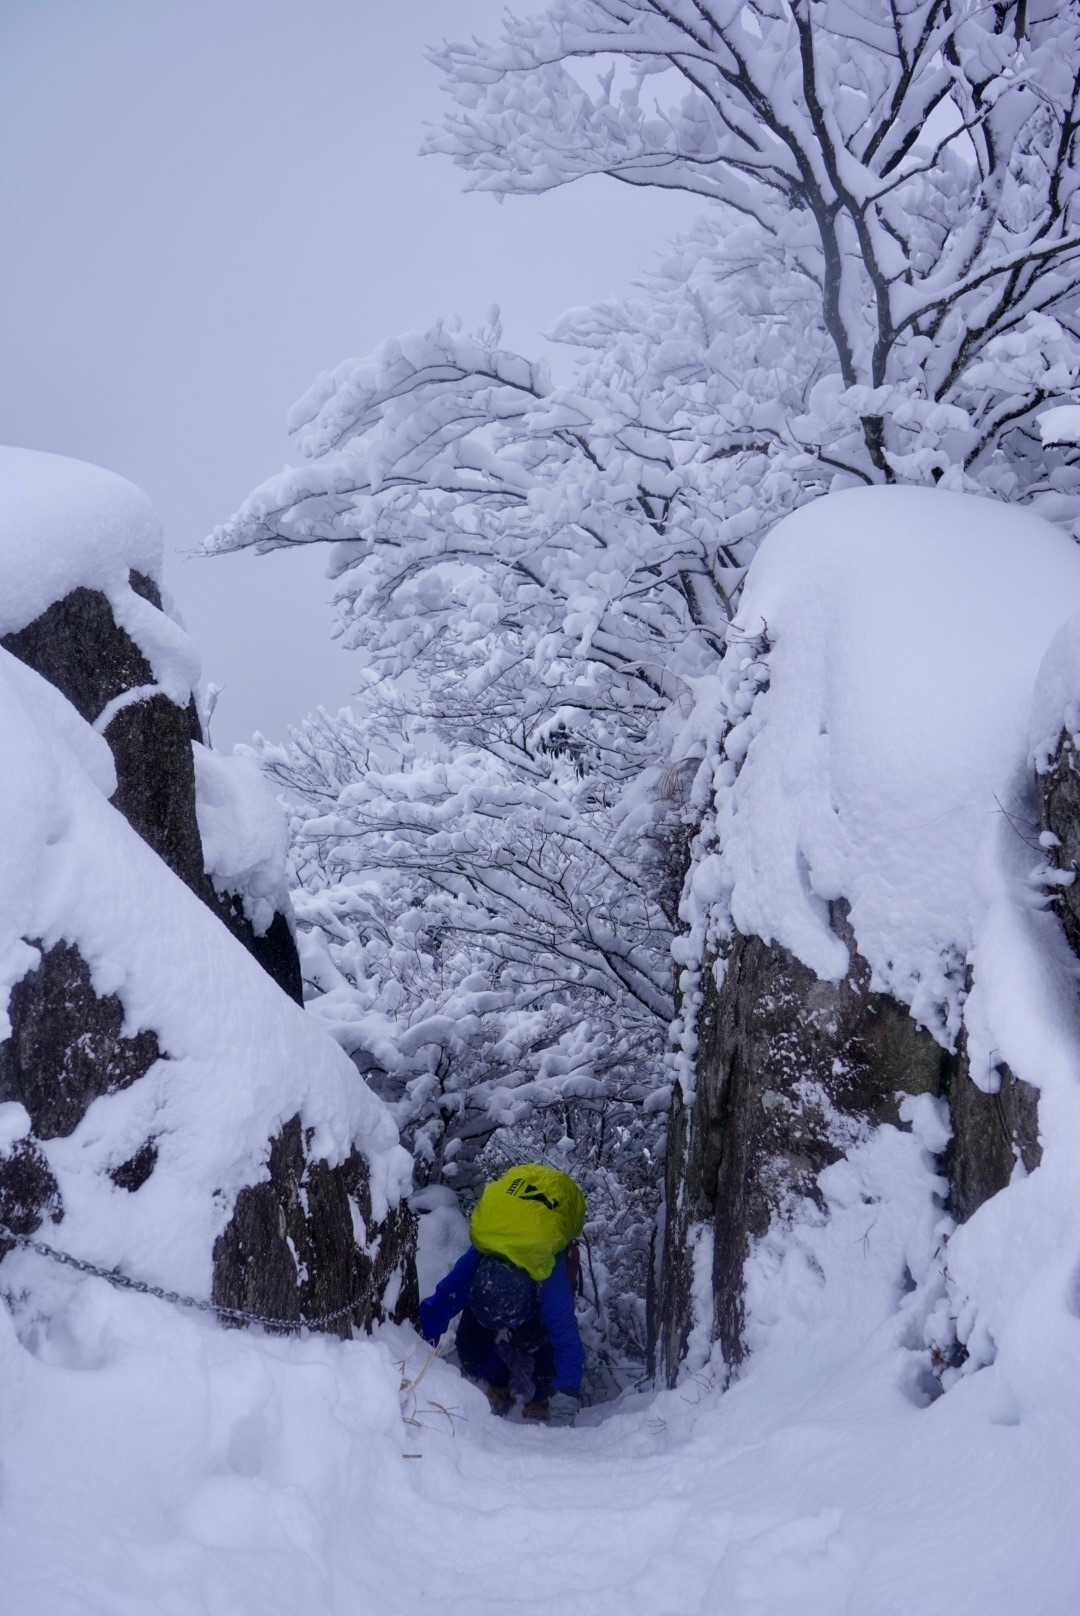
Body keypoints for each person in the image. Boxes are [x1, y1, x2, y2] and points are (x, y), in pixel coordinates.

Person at [417, 1165, 586, 1426]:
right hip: (499, 1266)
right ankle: (496, 1383)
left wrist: (565, 1403)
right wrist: (415, 1354)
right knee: (470, 1341)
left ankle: (541, 1395)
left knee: (544, 1335)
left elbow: (566, 1341)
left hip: (540, 1242)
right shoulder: (476, 1263)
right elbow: (441, 1303)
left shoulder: (550, 1279)